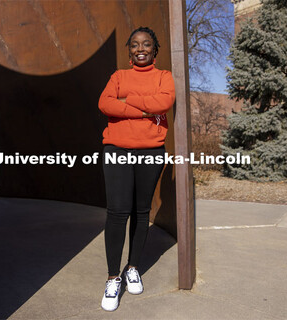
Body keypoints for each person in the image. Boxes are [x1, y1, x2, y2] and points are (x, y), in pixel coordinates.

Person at [98, 26, 175, 312]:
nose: (140, 49)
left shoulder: (164, 77)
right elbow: (104, 104)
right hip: (116, 150)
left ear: (155, 49)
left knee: (141, 211)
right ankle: (112, 277)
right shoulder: (118, 76)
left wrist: (126, 101)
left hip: (151, 151)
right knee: (118, 211)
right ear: (129, 50)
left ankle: (133, 267)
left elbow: (164, 102)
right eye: (134, 45)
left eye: (146, 45)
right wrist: (145, 110)